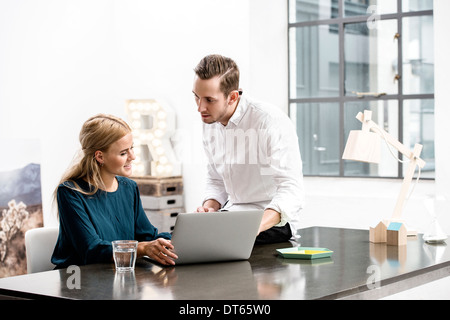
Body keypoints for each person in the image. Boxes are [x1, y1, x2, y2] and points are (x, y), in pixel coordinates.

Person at [193, 54, 305, 244]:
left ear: (233, 97)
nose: (200, 108)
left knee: (216, 243)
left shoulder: (269, 120)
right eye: (197, 97)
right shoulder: (209, 121)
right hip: (232, 216)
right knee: (184, 240)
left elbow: (291, 189)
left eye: (209, 100)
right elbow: (216, 180)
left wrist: (255, 226)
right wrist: (209, 208)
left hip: (271, 220)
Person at [51, 114, 178, 268]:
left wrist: (179, 238)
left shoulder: (129, 187)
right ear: (100, 156)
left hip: (118, 278)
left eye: (132, 148)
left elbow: (147, 235)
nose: (133, 157)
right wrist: (142, 248)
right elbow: (91, 250)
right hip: (78, 282)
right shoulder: (70, 192)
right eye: (123, 153)